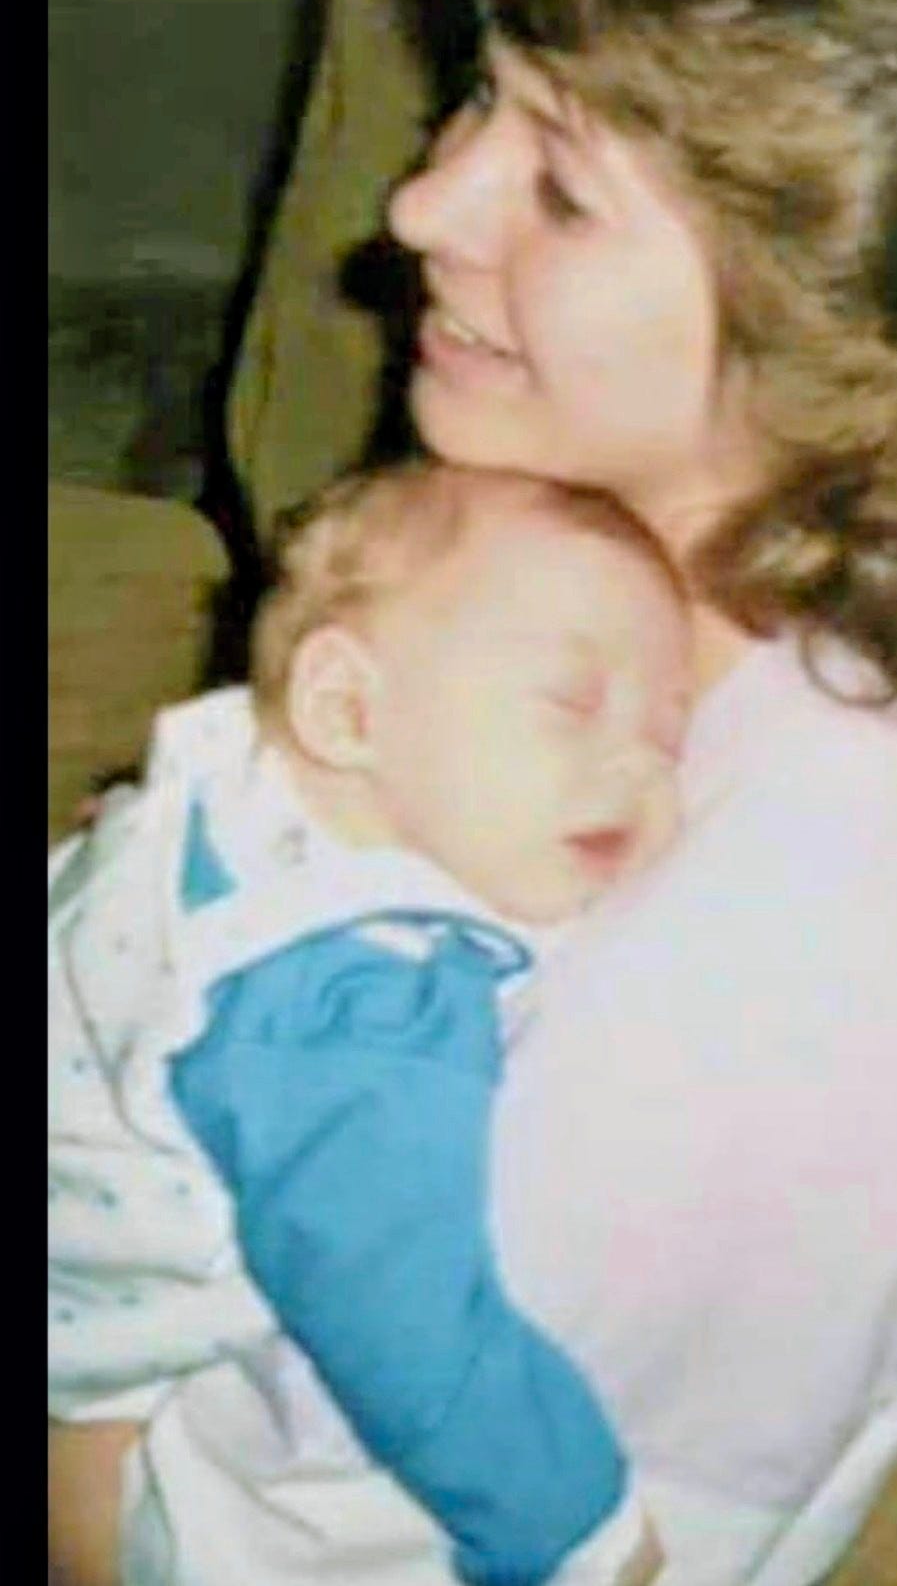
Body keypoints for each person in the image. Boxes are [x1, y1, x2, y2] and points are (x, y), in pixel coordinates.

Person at [48, 0, 897, 1583]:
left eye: (565, 186)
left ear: (859, 312)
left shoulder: (777, 975)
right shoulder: (614, 554)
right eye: (476, 99)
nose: (419, 203)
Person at [49, 460, 689, 1585]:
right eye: (572, 701)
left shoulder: (243, 784)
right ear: (346, 708)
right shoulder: (350, 1007)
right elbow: (404, 1318)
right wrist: (578, 1528)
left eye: (671, 732)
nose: (638, 763)